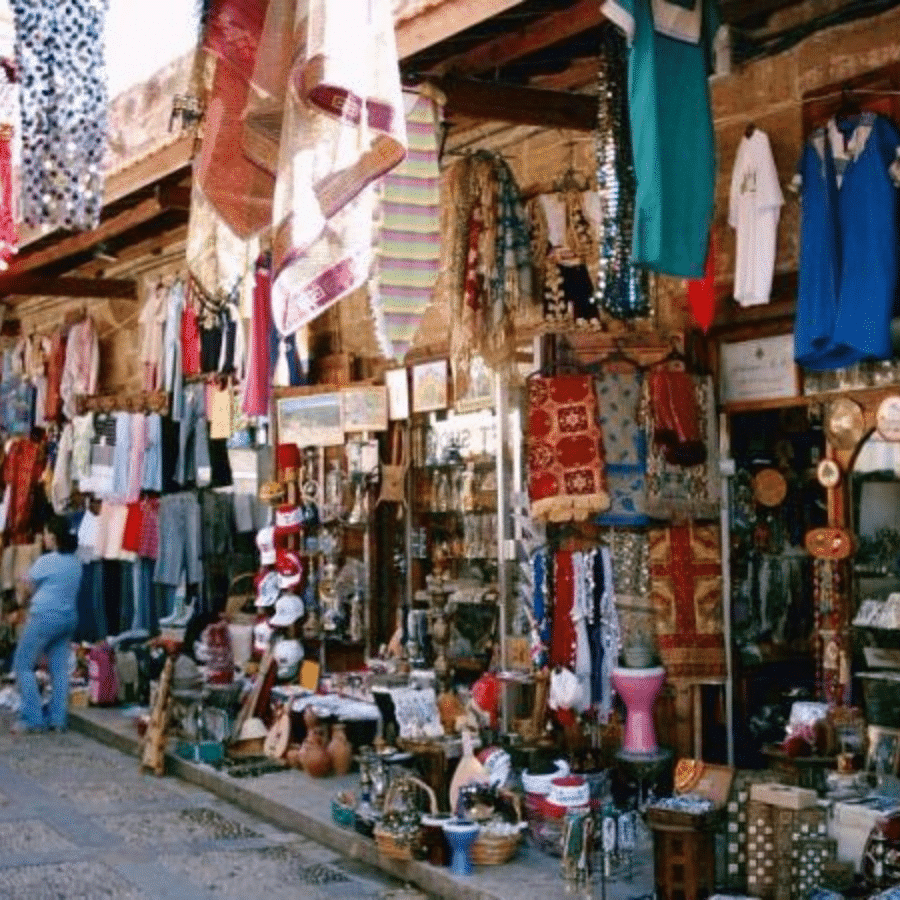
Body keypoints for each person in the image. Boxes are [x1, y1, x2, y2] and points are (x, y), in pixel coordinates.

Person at [12, 514, 82, 733]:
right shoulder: (75, 562)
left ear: (53, 536)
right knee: (59, 669)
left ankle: (33, 718)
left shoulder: (46, 561)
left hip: (44, 617)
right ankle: (58, 719)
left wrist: (22, 593)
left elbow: (26, 589)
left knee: (22, 665)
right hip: (68, 618)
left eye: (46, 533)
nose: (44, 538)